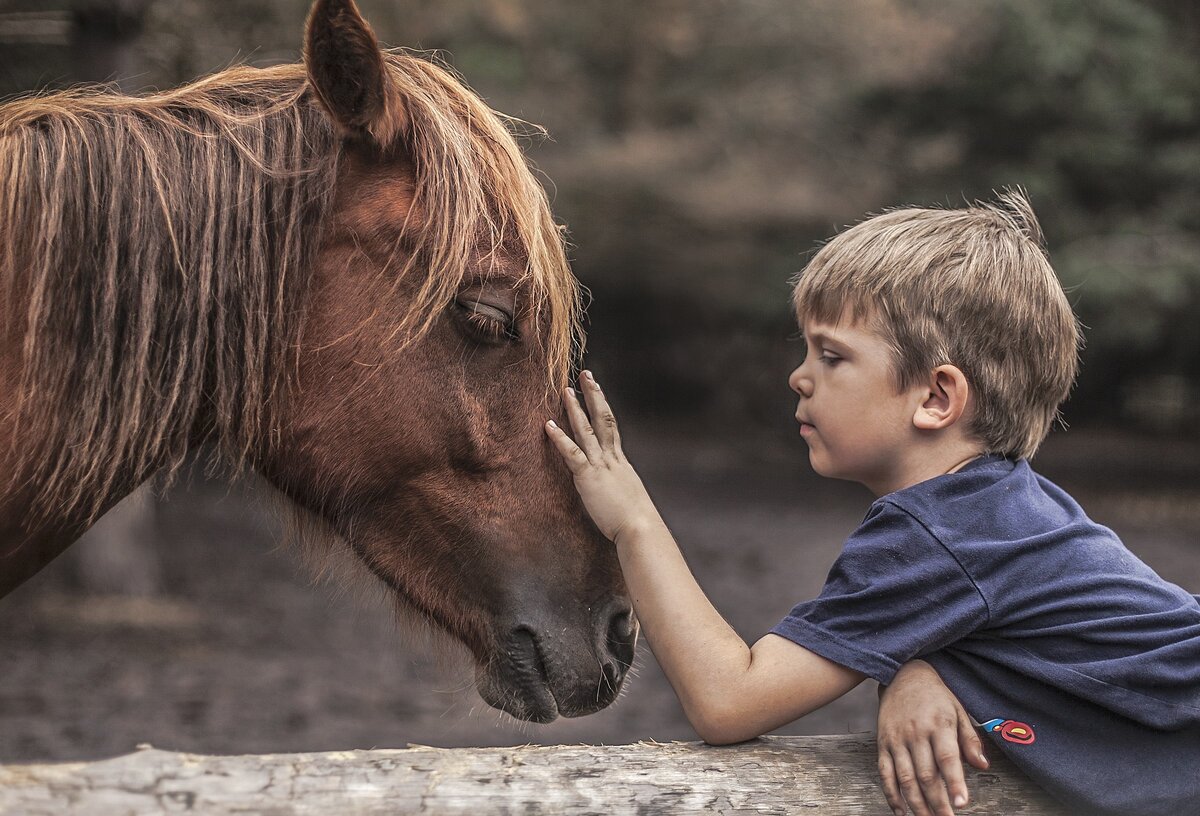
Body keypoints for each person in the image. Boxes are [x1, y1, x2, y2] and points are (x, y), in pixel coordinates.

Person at [544, 189, 1200, 816]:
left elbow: (729, 698)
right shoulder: (1000, 515)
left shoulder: (936, 532)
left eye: (832, 356)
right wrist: (917, 668)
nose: (798, 376)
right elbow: (1014, 640)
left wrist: (632, 519)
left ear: (937, 398)